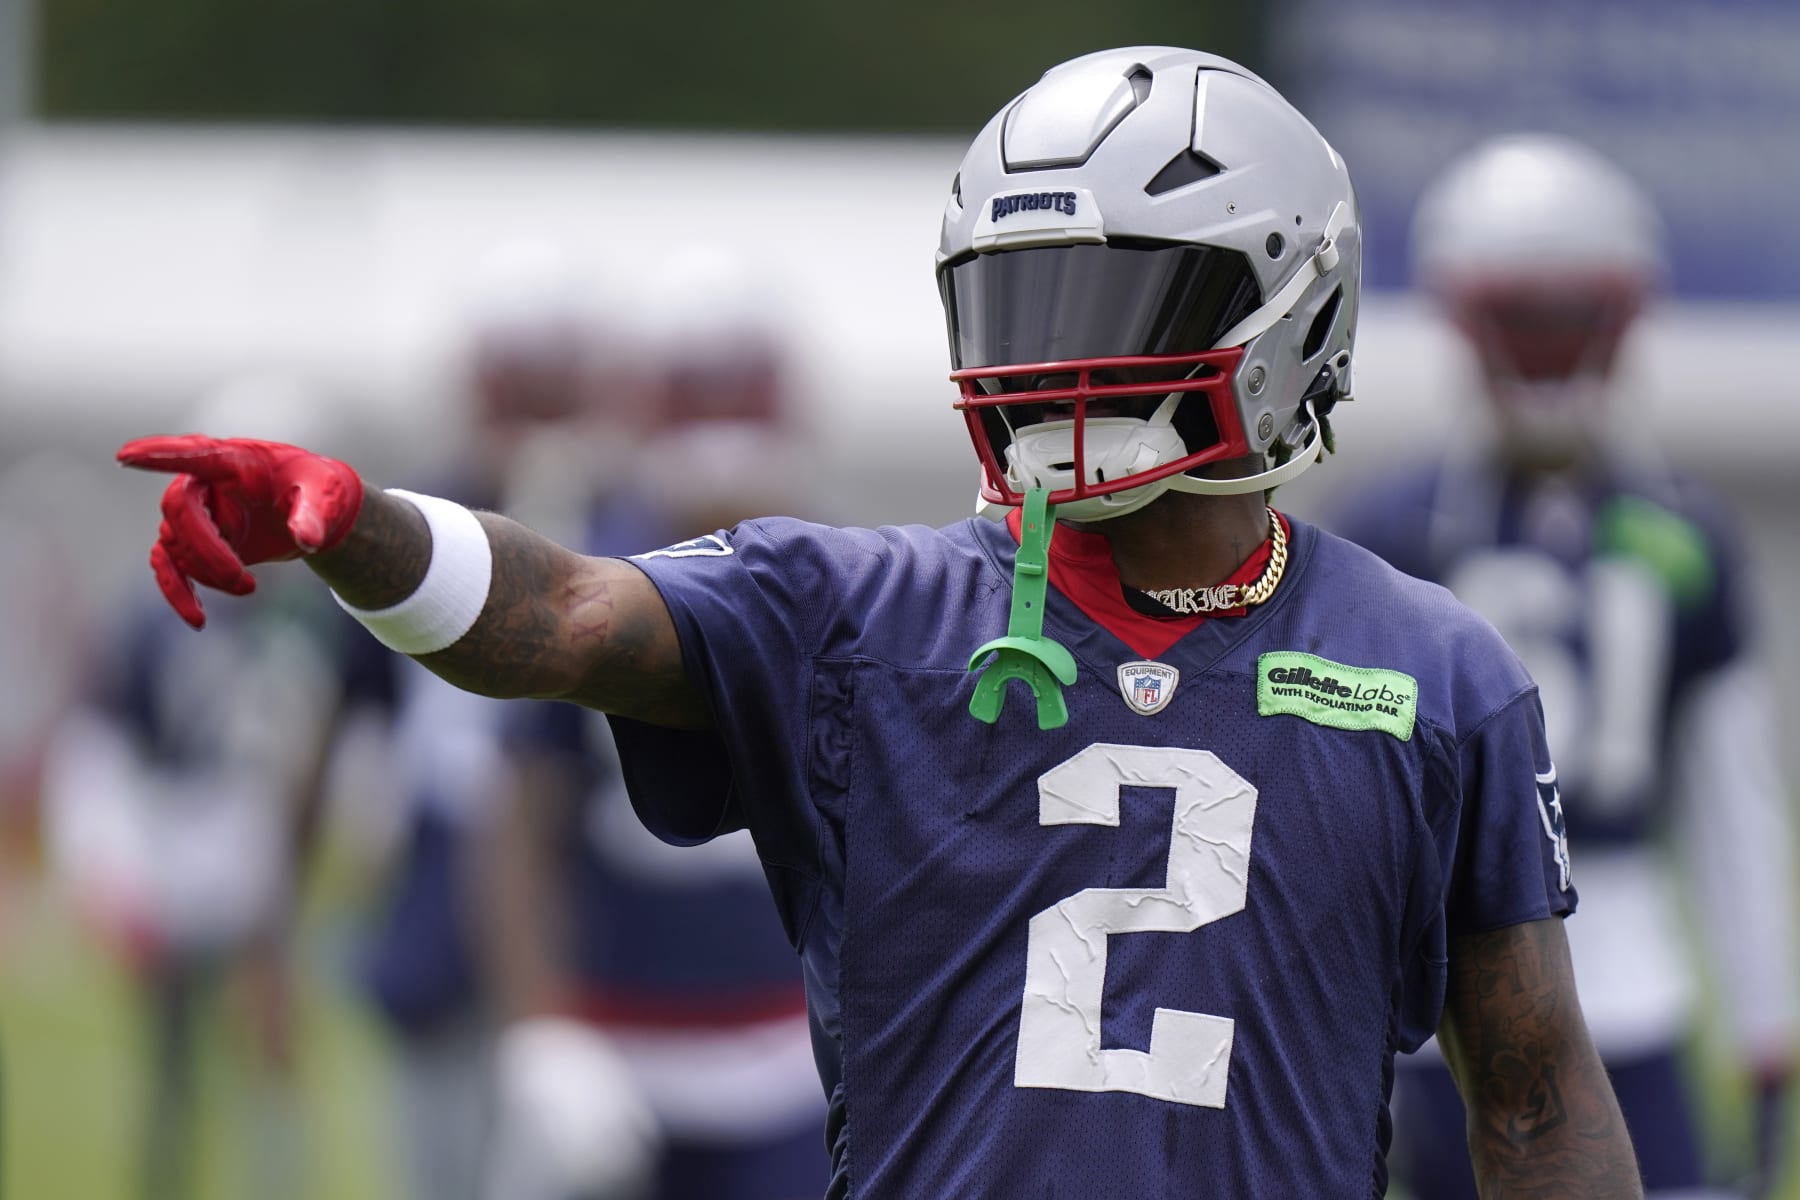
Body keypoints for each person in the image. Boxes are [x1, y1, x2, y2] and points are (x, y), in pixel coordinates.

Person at [115, 47, 1643, 1197]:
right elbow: (562, 616)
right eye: (1018, 311)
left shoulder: (1436, 674)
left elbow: (1531, 1096)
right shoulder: (854, 610)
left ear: (1281, 308)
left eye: (1108, 309)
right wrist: (358, 527)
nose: (1051, 368)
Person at [1326, 134, 1797, 1198]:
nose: (1546, 352)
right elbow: (1739, 812)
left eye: (1564, 320)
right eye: (1524, 320)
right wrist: (1766, 1032)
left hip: (1489, 982)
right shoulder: (1678, 530)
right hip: (1557, 989)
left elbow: (1734, 802)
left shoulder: (1400, 528)